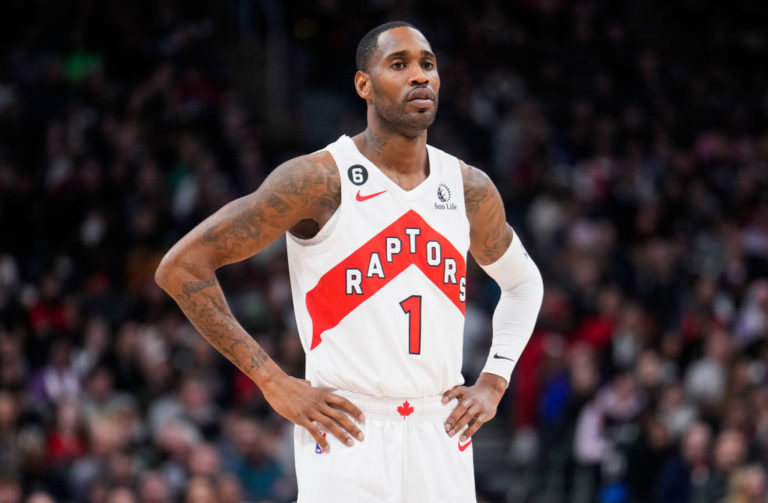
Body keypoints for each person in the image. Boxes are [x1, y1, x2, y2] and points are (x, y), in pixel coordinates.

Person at [155, 21, 543, 502]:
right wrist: (272, 381)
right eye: (399, 64)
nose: (419, 75)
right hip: (348, 427)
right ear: (364, 84)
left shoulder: (468, 188)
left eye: (428, 64)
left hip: (441, 429)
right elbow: (181, 266)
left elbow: (524, 283)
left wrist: (494, 380)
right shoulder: (317, 180)